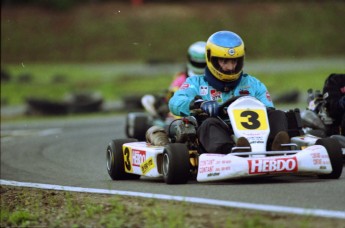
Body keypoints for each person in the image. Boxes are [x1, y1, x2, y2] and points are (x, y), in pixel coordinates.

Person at [169, 30, 289, 154]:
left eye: (234, 61)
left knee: (278, 114)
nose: (230, 67)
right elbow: (175, 103)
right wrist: (199, 104)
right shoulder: (196, 83)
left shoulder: (252, 84)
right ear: (211, 59)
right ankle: (233, 151)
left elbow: (268, 108)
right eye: (224, 61)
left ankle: (275, 148)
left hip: (255, 133)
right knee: (209, 123)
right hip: (219, 130)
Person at [142, 41, 207, 119]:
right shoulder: (181, 79)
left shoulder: (214, 81)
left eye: (202, 63)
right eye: (196, 62)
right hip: (183, 112)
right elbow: (170, 96)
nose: (199, 65)